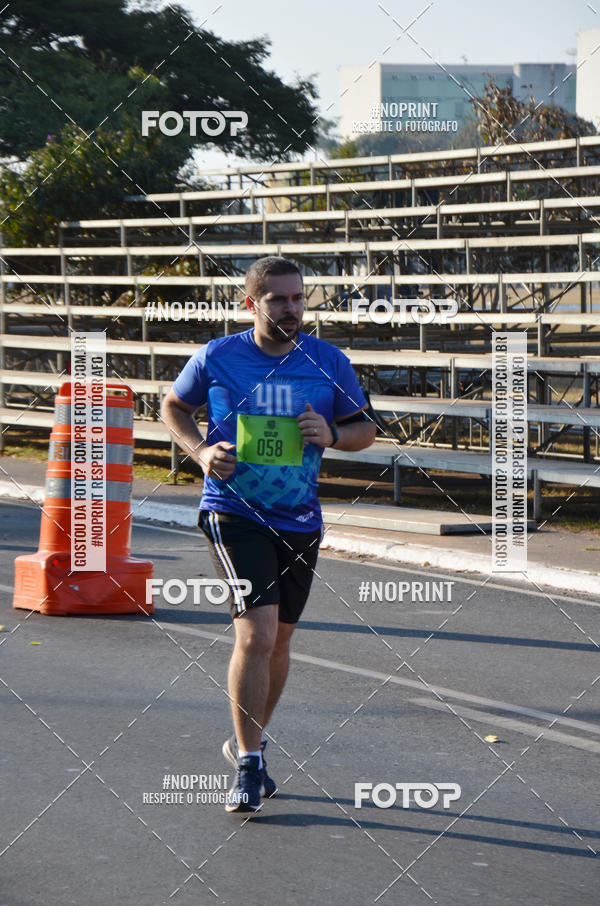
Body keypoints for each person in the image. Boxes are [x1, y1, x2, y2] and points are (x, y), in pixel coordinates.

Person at [161, 256, 376, 813]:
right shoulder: (219, 356)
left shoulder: (329, 361)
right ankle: (251, 764)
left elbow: (365, 430)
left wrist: (331, 432)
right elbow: (173, 406)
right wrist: (201, 451)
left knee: (279, 640)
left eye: (298, 298)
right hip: (233, 512)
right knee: (255, 635)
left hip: (300, 518)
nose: (290, 308)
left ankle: (245, 739)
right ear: (250, 302)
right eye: (278, 299)